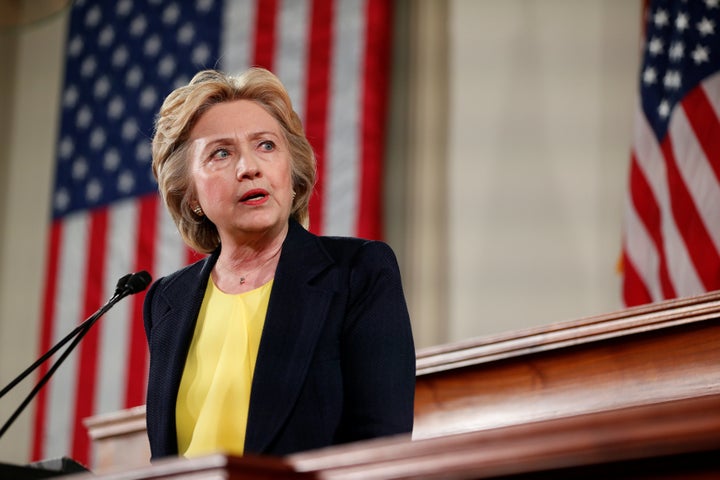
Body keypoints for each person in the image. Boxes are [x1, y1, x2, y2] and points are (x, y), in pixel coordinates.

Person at [143, 67, 416, 460]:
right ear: (191, 195)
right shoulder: (167, 301)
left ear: (293, 173)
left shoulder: (358, 272)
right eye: (221, 153)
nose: (249, 167)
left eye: (266, 146)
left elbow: (380, 444)